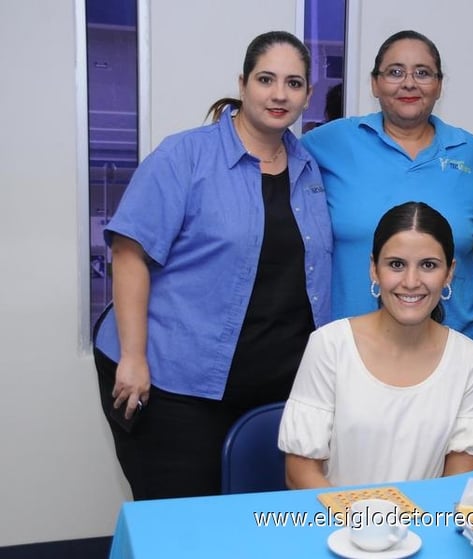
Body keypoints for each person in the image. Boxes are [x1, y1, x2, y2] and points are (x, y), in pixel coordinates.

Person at [93, 31, 332, 500]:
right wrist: (135, 358)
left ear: (308, 93)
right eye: (266, 79)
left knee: (257, 523)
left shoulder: (308, 168)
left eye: (294, 83)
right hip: (174, 380)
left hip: (275, 385)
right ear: (243, 84)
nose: (279, 94)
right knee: (183, 524)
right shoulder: (184, 157)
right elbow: (128, 253)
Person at [279, 202, 473, 488]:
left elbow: (460, 479)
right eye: (396, 264)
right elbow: (300, 472)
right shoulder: (330, 345)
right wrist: (366, 528)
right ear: (374, 269)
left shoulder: (468, 358)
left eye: (428, 265)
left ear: (449, 273)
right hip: (337, 525)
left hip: (427, 526)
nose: (411, 281)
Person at [301, 30, 473, 343]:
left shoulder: (470, 153)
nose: (408, 83)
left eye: (422, 72)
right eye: (394, 72)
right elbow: (271, 162)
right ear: (374, 83)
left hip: (451, 342)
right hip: (351, 342)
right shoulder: (330, 144)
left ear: (439, 85)